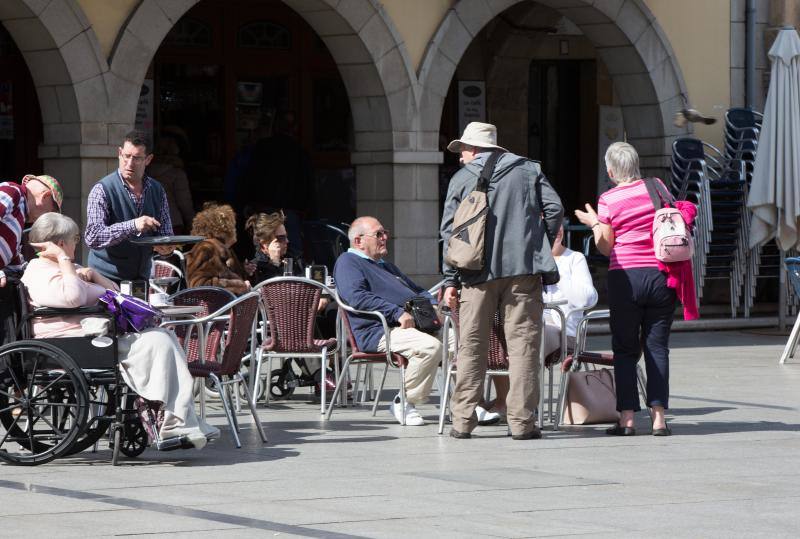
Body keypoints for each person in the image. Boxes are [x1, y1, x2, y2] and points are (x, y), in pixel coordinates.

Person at [21, 213, 218, 448]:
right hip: (74, 341)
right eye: (74, 238)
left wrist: (93, 274)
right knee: (158, 341)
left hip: (93, 336)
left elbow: (115, 292)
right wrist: (64, 260)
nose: (77, 243)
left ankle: (180, 418)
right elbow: (73, 298)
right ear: (60, 243)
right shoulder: (41, 269)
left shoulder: (66, 267)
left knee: (164, 336)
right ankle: (172, 420)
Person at [440, 122, 563, 440]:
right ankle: (522, 423)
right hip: (523, 271)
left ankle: (462, 421)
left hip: (475, 274)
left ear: (476, 149)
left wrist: (450, 279)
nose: (460, 156)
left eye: (463, 149)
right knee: (523, 347)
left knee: (472, 346)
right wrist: (537, 243)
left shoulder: (462, 178)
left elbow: (449, 234)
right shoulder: (529, 170)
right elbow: (554, 208)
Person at [574, 141, 680, 436]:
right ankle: (658, 418)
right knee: (657, 347)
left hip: (626, 277)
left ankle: (628, 419)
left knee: (624, 349)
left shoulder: (608, 199)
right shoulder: (658, 186)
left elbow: (606, 246)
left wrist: (595, 222)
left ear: (610, 170)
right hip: (661, 274)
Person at [334, 216, 450, 426]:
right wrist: (395, 312)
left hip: (415, 325)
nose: (385, 237)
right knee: (431, 348)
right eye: (378, 234)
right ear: (359, 241)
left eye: (384, 232)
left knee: (461, 343)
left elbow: (418, 290)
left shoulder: (386, 267)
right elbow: (356, 297)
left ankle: (466, 404)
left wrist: (434, 306)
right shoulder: (348, 262)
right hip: (378, 330)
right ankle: (404, 401)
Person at [481, 223, 598, 421]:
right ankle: (503, 401)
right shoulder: (525, 260)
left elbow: (587, 299)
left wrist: (552, 268)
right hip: (527, 326)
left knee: (531, 334)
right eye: (547, 227)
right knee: (498, 334)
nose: (556, 230)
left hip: (563, 332)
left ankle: (520, 404)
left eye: (559, 225)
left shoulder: (574, 259)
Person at [85, 130, 174, 283]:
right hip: (105, 279)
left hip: (141, 279)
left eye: (137, 158)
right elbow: (93, 237)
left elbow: (166, 235)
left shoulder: (157, 190)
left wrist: (166, 248)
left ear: (148, 159)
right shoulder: (102, 189)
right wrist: (132, 225)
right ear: (120, 153)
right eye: (126, 156)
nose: (129, 163)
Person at [0, 174, 63, 345]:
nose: (43, 219)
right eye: (50, 212)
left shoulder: (19, 216)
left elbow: (15, 261)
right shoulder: (12, 192)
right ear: (45, 197)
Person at [185, 202, 250, 295]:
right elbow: (198, 285)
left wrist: (245, 271)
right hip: (215, 307)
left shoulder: (225, 249)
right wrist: (239, 286)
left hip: (229, 305)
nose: (235, 230)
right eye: (232, 226)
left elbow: (227, 275)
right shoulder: (206, 248)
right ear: (223, 229)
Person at [147, 135, 194, 235]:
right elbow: (184, 202)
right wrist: (192, 222)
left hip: (148, 222)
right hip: (173, 222)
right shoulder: (176, 173)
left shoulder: (144, 171)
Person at [244, 210, 300, 284]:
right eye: (281, 238)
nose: (287, 241)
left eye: (286, 236)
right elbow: (271, 291)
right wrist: (274, 262)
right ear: (264, 243)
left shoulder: (291, 259)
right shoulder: (255, 266)